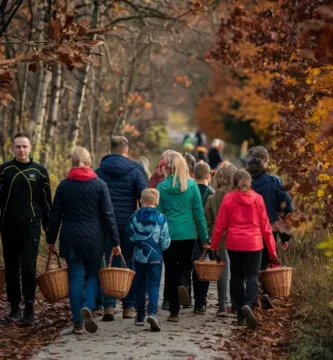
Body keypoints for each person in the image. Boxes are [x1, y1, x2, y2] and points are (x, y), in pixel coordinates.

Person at [47, 147, 120, 335]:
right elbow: (108, 215)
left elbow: (55, 214)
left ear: (73, 162)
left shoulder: (64, 185)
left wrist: (50, 239)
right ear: (89, 162)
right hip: (94, 237)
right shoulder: (99, 184)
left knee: (76, 278)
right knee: (94, 275)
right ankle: (88, 305)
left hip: (71, 237)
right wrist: (115, 241)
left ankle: (78, 322)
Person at [209, 169, 279, 330]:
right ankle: (249, 304)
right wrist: (272, 252)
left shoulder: (228, 198)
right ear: (249, 182)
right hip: (254, 243)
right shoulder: (258, 199)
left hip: (234, 243)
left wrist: (214, 246)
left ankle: (240, 312)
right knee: (253, 276)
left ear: (234, 182)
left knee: (237, 277)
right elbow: (266, 228)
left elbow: (220, 226)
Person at [0, 133, 52, 325]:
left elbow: (47, 203)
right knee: (11, 268)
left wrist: (50, 232)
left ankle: (29, 308)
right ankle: (14, 307)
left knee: (28, 267)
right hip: (8, 227)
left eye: (24, 146)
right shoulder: (4, 171)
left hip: (31, 226)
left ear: (31, 148)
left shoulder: (39, 171)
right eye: (18, 146)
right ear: (12, 148)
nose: (21, 150)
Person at [95, 136, 147, 320]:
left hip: (106, 225)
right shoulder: (136, 171)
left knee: (108, 263)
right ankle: (129, 306)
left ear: (111, 150)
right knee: (129, 263)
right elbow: (145, 197)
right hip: (129, 224)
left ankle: (108, 305)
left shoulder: (99, 172)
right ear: (126, 151)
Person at [157, 151, 209, 322]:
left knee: (170, 269)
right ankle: (182, 283)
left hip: (168, 234)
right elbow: (199, 215)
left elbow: (159, 214)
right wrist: (204, 238)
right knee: (186, 265)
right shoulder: (192, 186)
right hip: (187, 233)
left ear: (167, 167)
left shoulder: (161, 188)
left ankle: (173, 312)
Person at [247, 155, 293, 309]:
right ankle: (263, 294)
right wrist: (285, 235)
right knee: (265, 264)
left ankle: (253, 298)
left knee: (251, 265)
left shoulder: (244, 184)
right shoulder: (273, 183)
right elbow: (286, 205)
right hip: (269, 230)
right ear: (264, 167)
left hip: (248, 230)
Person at [126, 188, 171, 331]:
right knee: (154, 284)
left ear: (141, 201)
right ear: (156, 202)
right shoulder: (161, 218)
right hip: (156, 256)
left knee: (140, 285)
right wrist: (163, 247)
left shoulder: (133, 218)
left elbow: (130, 237)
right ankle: (152, 312)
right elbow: (165, 240)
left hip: (140, 256)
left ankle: (139, 316)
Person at [205, 164, 237, 318]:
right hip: (238, 239)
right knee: (237, 272)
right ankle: (236, 304)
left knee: (223, 272)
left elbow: (208, 220)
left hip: (221, 240)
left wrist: (213, 236)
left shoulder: (212, 198)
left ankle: (222, 305)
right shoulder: (237, 197)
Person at [192, 161, 215, 315]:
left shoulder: (189, 190)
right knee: (205, 267)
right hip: (206, 235)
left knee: (192, 265)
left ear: (193, 175)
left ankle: (186, 292)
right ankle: (200, 303)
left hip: (190, 233)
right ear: (209, 176)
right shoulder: (212, 193)